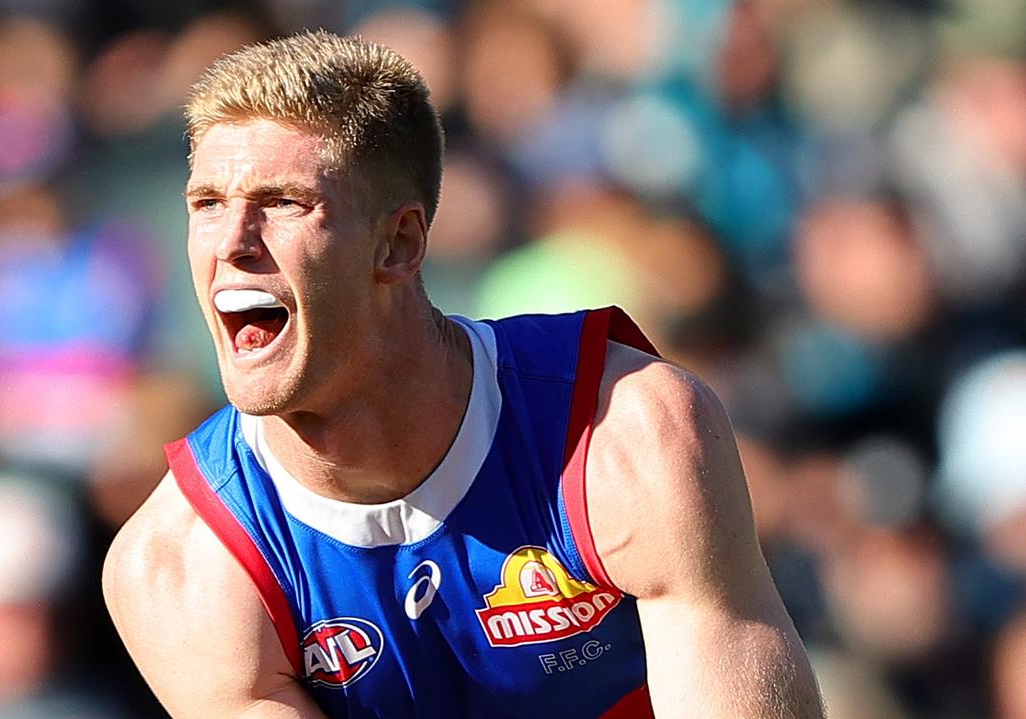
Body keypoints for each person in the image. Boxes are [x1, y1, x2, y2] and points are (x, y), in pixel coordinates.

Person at [103, 30, 823, 719]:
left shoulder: (624, 432)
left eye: (284, 202)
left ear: (400, 244)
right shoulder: (184, 563)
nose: (231, 242)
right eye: (207, 204)